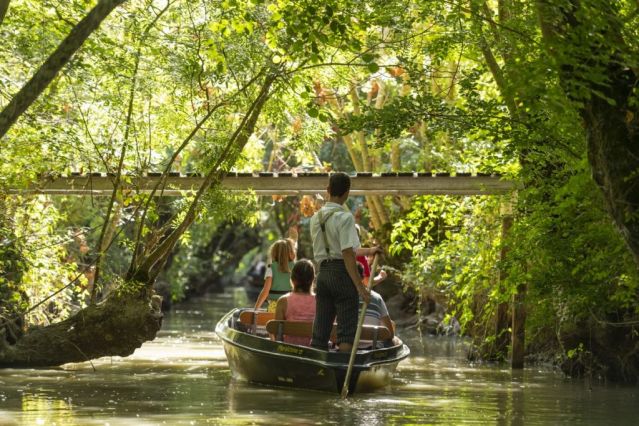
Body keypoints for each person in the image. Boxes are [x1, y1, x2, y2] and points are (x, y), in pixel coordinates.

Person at [309, 172, 372, 352]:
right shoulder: (345, 217)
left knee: (320, 331)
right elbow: (346, 253)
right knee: (346, 332)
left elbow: (344, 250)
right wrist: (360, 287)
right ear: (347, 193)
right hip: (342, 275)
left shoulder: (315, 218)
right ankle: (343, 373)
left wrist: (370, 250)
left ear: (328, 190)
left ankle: (318, 371)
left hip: (323, 274)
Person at [275, 259, 316, 346]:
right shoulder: (320, 301)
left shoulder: (283, 301)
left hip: (288, 349)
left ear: (292, 278)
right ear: (312, 279)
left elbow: (276, 333)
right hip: (313, 350)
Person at [254, 239, 296, 312]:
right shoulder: (296, 267)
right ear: (290, 253)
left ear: (274, 254)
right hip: (291, 306)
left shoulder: (271, 268)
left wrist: (256, 309)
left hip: (275, 306)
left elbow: (265, 291)